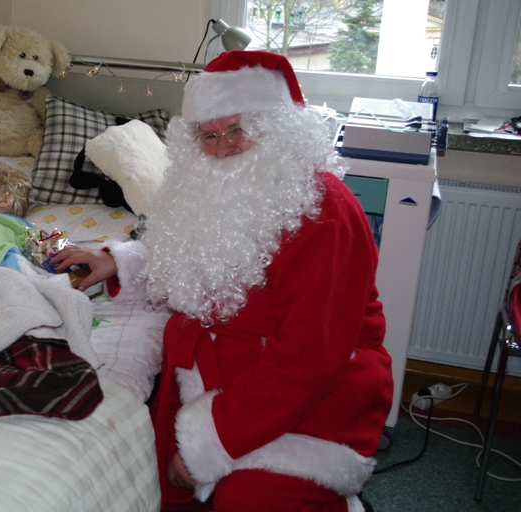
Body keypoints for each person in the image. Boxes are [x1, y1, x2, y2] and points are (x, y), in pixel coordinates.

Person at [52, 50, 392, 512]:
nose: (222, 148)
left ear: (276, 129)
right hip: (222, 374)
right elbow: (206, 251)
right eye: (209, 136)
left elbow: (309, 361)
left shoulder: (322, 211)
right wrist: (121, 260)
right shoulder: (226, 189)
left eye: (239, 129)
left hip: (310, 400)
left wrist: (211, 443)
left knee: (249, 502)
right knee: (149, 484)